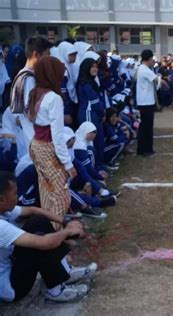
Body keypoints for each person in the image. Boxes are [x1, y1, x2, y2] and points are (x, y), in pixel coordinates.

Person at [0, 171, 97, 303]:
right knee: (38, 242)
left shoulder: (4, 210)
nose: (17, 197)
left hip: (13, 266)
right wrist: (67, 231)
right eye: (15, 193)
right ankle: (55, 291)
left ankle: (65, 272)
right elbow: (44, 243)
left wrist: (65, 222)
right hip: (12, 287)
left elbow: (34, 210)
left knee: (37, 221)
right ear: (1, 199)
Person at [28, 56, 76, 230]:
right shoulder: (54, 98)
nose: (62, 75)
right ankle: (54, 236)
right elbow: (57, 135)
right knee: (61, 197)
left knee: (46, 193)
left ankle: (49, 232)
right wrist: (68, 163)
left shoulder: (35, 92)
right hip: (48, 148)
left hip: (36, 145)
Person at [9, 37, 52, 147]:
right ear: (36, 55)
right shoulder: (28, 79)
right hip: (37, 138)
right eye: (47, 55)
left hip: (35, 137)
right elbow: (32, 112)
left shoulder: (24, 76)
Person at [77, 57, 106, 169]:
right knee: (91, 142)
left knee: (98, 141)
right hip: (88, 115)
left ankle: (98, 166)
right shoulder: (86, 84)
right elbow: (94, 101)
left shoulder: (90, 82)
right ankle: (94, 168)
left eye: (96, 67)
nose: (95, 69)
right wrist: (102, 113)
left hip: (93, 114)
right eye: (92, 67)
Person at [136, 49, 163, 156]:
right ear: (149, 58)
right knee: (147, 127)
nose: (153, 60)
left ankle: (142, 149)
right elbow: (156, 79)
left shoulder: (143, 68)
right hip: (146, 102)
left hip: (144, 101)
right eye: (152, 58)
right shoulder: (144, 69)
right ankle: (147, 150)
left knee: (144, 127)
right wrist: (163, 81)